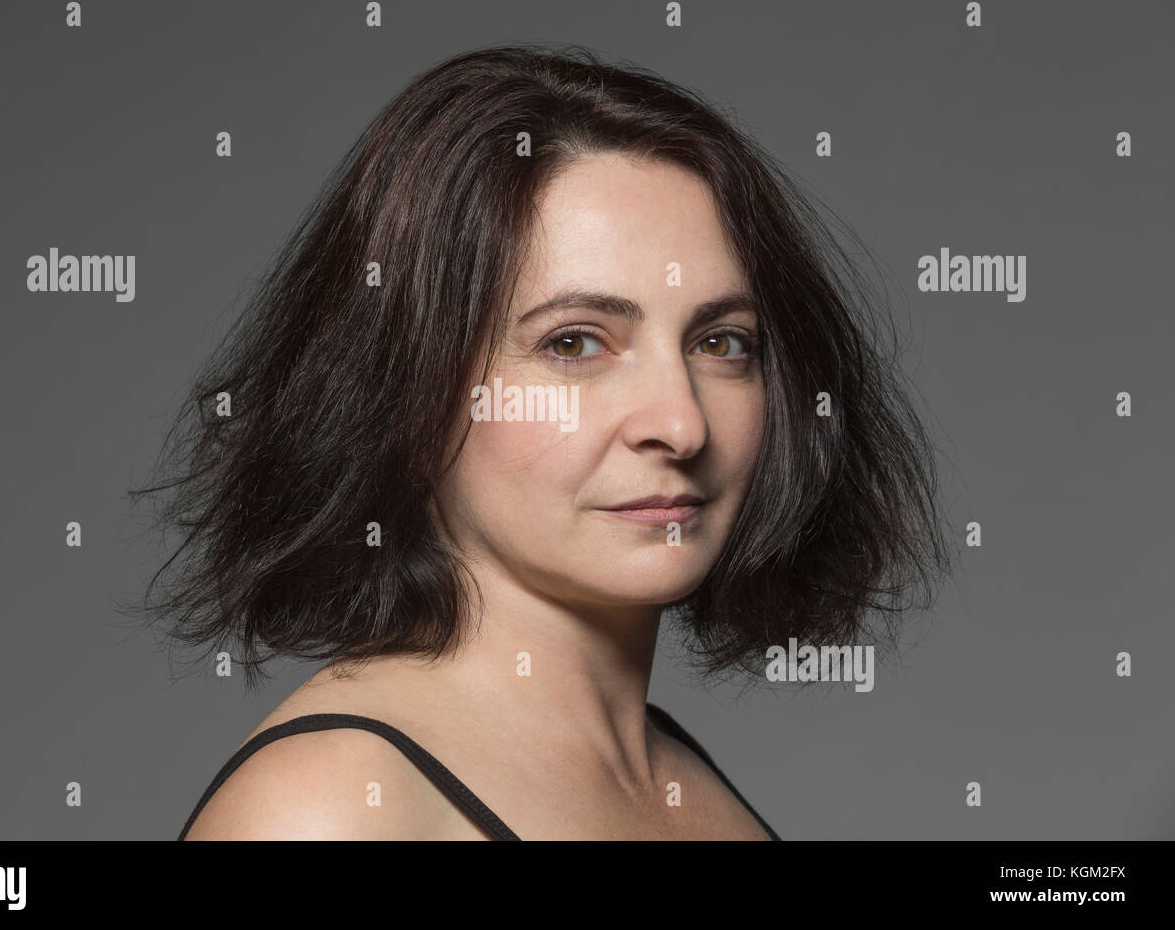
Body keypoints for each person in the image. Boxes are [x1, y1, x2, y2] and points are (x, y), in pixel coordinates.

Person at [127, 43, 955, 840]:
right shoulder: (335, 810)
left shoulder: (682, 782)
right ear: (408, 388)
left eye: (720, 343)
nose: (681, 423)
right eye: (574, 344)